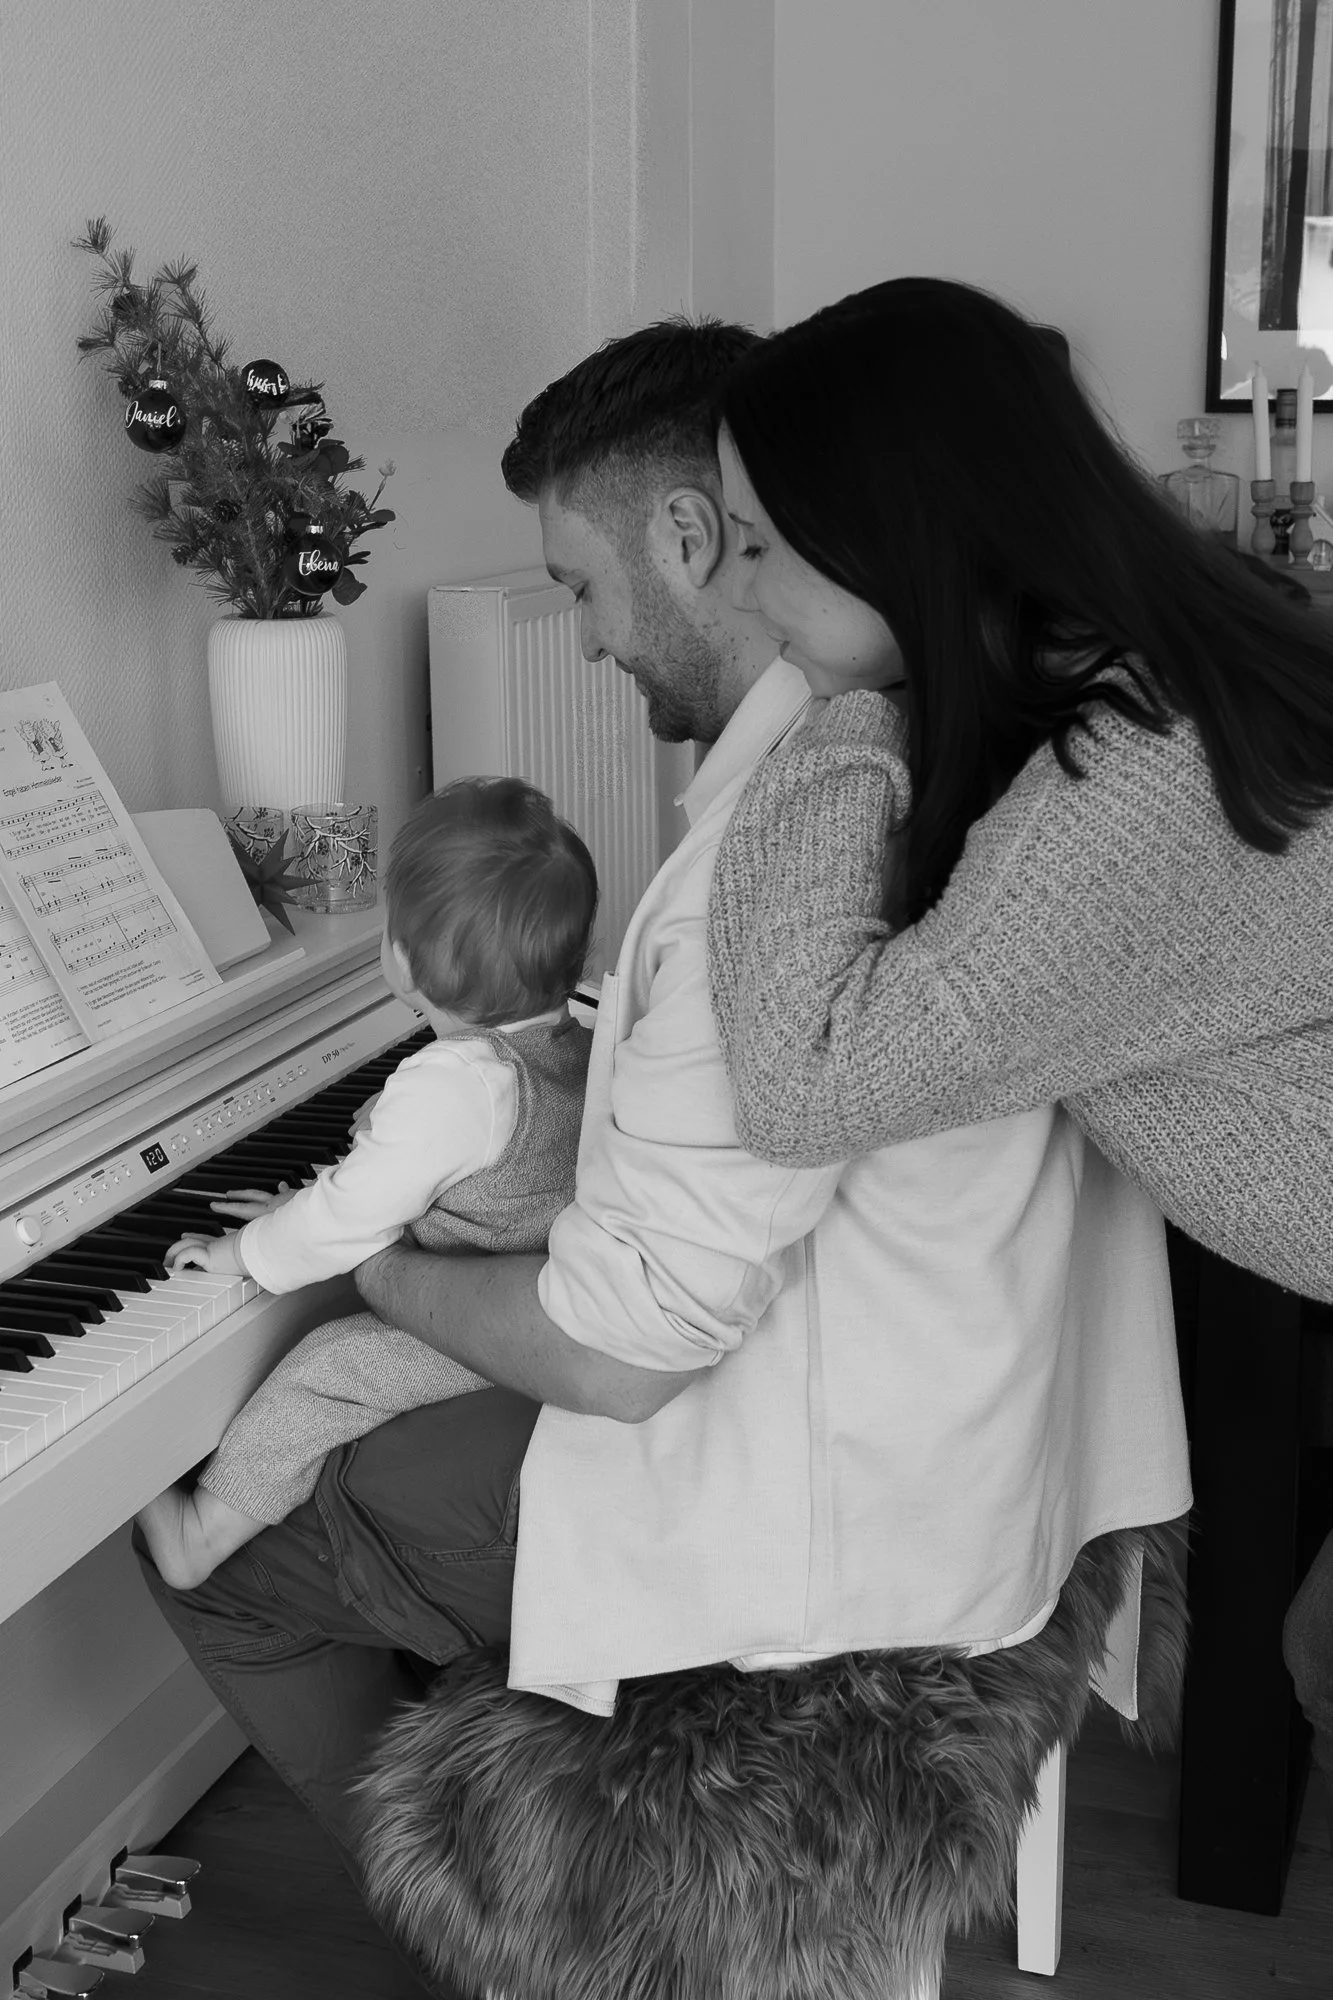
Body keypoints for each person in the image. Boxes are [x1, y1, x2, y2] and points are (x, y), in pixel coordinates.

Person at [135, 318, 1189, 1895]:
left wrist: (383, 1270)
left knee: (238, 1552)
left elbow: (621, 1357)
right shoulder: (970, 739)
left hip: (814, 1507)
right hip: (987, 1444)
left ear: (695, 539)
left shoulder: (758, 876)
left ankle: (518, 1915)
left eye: (575, 584)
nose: (581, 643)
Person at [702, 275, 1333, 1843]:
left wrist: (843, 711)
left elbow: (806, 1077)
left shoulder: (1129, 785)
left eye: (765, 547)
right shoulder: (1154, 675)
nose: (743, 598)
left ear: (898, 534)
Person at [136, 776, 595, 1591]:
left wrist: (244, 1250)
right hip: (530, 1286)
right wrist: (298, 1208)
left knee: (328, 1369)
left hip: (481, 1332)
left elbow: (349, 1216)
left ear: (404, 958)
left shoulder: (456, 1080)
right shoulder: (563, 1034)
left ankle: (198, 1538)